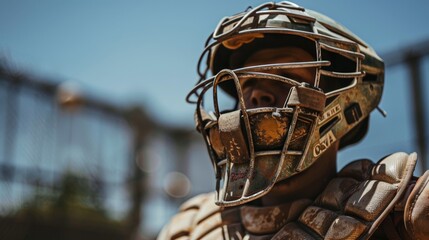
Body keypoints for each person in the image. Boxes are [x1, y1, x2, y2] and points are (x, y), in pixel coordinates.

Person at [158, 2, 429, 239]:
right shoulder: (188, 229)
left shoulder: (399, 215)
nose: (253, 94)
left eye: (286, 78)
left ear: (345, 103)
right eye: (246, 82)